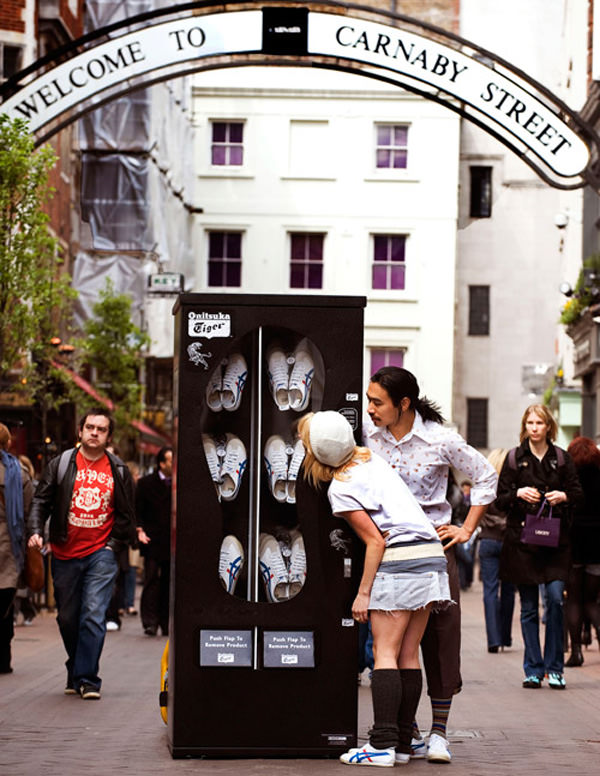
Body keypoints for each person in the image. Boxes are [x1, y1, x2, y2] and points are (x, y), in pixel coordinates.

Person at [298, 411, 452, 767]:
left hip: (400, 558)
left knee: (384, 652)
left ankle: (381, 745)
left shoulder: (341, 486)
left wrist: (363, 593)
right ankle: (402, 743)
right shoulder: (373, 461)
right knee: (408, 655)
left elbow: (375, 542)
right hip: (430, 554)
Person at [364, 367, 497, 763]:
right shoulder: (368, 437)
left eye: (377, 402)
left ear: (403, 404)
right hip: (386, 550)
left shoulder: (440, 439)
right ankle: (409, 731)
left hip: (435, 550)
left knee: (440, 639)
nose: (369, 409)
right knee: (394, 644)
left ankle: (439, 733)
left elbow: (486, 475)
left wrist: (466, 528)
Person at [27, 408, 136, 699]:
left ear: (108, 436)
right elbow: (41, 501)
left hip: (100, 553)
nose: (94, 433)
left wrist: (112, 546)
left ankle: (88, 678)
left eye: (101, 429)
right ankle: (76, 666)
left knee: (92, 615)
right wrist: (36, 530)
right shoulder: (60, 464)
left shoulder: (119, 470)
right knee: (67, 618)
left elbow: (126, 515)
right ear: (80, 431)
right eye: (89, 427)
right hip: (64, 552)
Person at [496, 404, 582, 690]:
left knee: (556, 600)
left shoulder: (562, 458)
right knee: (530, 607)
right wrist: (518, 492)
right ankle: (533, 668)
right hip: (523, 545)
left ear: (548, 427)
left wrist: (564, 496)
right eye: (530, 422)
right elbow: (499, 500)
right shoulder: (513, 458)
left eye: (539, 422)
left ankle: (554, 667)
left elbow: (578, 493)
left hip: (556, 544)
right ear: (525, 426)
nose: (534, 427)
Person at [563, 436, 600, 666]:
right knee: (593, 600)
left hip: (573, 543)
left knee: (574, 599)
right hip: (598, 545)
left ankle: (576, 652)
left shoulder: (569, 477)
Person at [0, 424, 34, 673]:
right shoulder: (18, 473)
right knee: (5, 605)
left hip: (7, 547)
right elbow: (28, 512)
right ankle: (3, 658)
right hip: (8, 549)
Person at [478, 449, 515, 653]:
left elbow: (478, 513)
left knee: (490, 591)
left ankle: (493, 639)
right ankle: (505, 636)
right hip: (509, 541)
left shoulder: (484, 484)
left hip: (488, 540)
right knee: (508, 590)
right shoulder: (512, 485)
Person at [136, 446, 173, 637]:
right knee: (151, 579)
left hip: (170, 541)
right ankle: (149, 622)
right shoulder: (145, 484)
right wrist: (139, 529)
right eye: (169, 460)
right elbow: (138, 511)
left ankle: (166, 622)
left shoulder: (178, 484)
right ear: (161, 464)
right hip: (152, 540)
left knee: (168, 581)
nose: (173, 464)